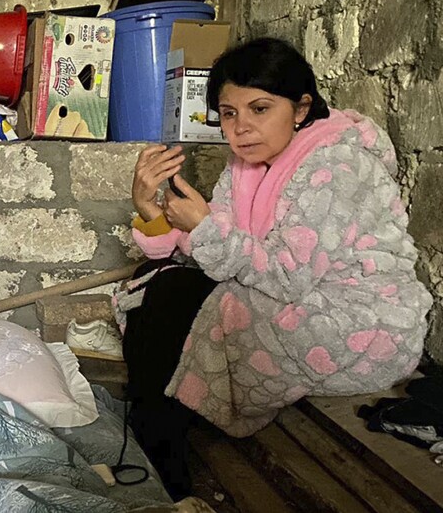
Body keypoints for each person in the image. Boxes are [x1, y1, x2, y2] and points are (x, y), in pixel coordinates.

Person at [122, 37, 432, 499]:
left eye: (260, 109)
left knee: (181, 296)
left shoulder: (337, 164)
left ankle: (161, 457)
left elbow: (286, 274)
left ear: (301, 108)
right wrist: (152, 211)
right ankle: (156, 441)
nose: (242, 128)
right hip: (298, 291)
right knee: (161, 283)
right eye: (229, 113)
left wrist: (203, 228)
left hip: (360, 320)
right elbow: (211, 247)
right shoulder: (246, 167)